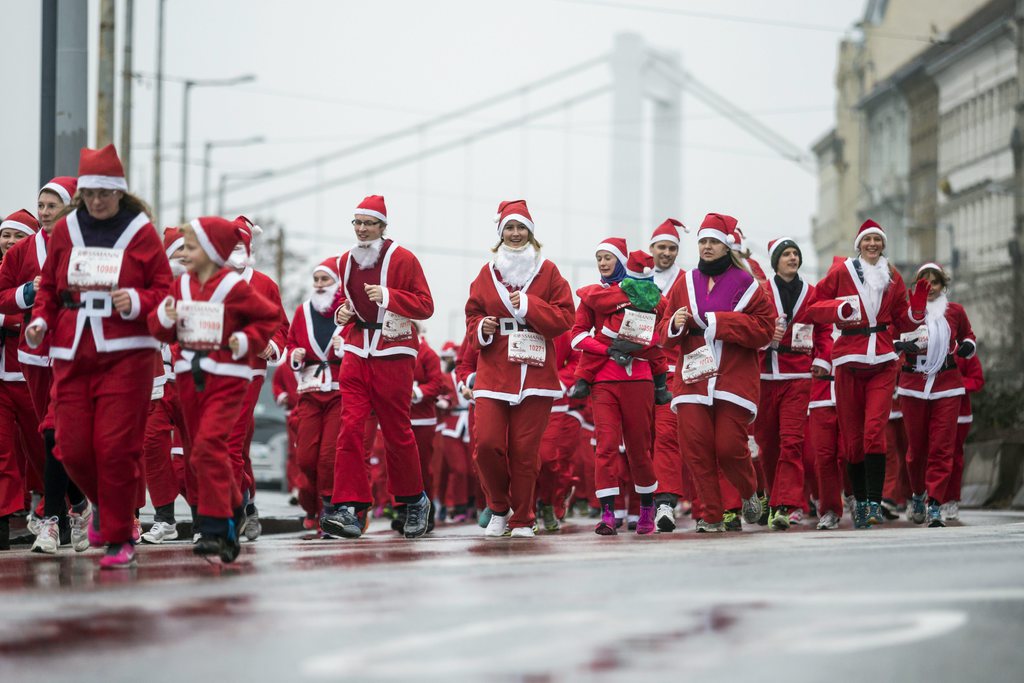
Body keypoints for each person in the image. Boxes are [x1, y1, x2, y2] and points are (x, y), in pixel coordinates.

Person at [25, 144, 173, 568]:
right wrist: (41, 321)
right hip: (72, 349)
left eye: (104, 194)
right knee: (69, 447)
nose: (96, 202)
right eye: (89, 194)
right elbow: (50, 288)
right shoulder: (67, 229)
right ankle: (103, 507)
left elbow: (163, 291)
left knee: (115, 447)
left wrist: (138, 302)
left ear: (120, 193)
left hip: (125, 353)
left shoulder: (140, 231)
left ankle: (119, 534)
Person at [149, 216, 279, 561]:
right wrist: (165, 317)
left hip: (227, 381)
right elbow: (161, 332)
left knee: (209, 447)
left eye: (192, 247)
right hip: (190, 378)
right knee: (199, 454)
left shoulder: (233, 287)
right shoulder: (182, 287)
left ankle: (213, 526)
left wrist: (244, 340)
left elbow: (269, 319)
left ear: (211, 250)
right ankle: (233, 512)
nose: (185, 254)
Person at [320, 195, 435, 540]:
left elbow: (426, 305)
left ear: (383, 227)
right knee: (351, 427)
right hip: (357, 350)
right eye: (357, 222)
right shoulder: (344, 261)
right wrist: (344, 311)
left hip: (394, 351)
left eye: (369, 223)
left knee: (397, 430)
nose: (362, 229)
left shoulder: (403, 258)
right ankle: (349, 509)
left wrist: (388, 297)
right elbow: (349, 300)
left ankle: (414, 502)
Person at [464, 199, 574, 538]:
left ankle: (524, 517)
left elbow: (565, 318)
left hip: (536, 373)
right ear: (500, 234)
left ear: (531, 234)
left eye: (521, 228)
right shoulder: (486, 273)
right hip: (494, 372)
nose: (515, 233)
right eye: (509, 228)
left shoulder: (549, 272)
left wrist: (529, 305)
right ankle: (499, 506)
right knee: (487, 446)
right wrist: (481, 327)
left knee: (525, 452)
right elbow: (472, 315)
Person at [809, 219, 929, 529]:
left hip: (883, 361)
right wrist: (839, 310)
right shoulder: (842, 272)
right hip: (849, 359)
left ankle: (874, 501)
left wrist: (916, 312)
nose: (873, 244)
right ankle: (859, 501)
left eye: (878, 239)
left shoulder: (892, 276)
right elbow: (814, 307)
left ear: (883, 245)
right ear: (859, 244)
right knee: (852, 438)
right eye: (868, 240)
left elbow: (905, 321)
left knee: (874, 429)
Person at [658, 213, 772, 533]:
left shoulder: (747, 285)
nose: (707, 247)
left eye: (713, 242)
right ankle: (710, 515)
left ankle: (749, 492)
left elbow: (763, 330)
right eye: (703, 242)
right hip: (693, 377)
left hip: (732, 378)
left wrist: (717, 322)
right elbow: (664, 333)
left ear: (726, 247)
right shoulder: (685, 282)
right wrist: (676, 324)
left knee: (728, 447)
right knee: (696, 449)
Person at [571, 245, 664, 535]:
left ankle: (646, 509)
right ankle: (608, 513)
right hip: (604, 381)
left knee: (639, 448)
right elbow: (577, 335)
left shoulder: (648, 293)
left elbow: (659, 329)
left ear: (621, 261)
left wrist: (636, 342)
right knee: (606, 445)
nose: (602, 262)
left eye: (607, 257)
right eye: (597, 257)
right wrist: (608, 348)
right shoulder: (591, 296)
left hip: (639, 379)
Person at [752, 237, 827, 530]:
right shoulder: (761, 292)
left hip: (798, 375)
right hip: (764, 376)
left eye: (796, 254)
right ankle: (774, 498)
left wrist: (823, 358)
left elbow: (822, 329)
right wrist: (764, 340)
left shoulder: (811, 292)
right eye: (786, 255)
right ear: (776, 261)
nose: (793, 258)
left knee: (792, 442)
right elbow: (750, 327)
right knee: (767, 443)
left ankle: (789, 504)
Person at [895, 262, 976, 527]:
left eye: (935, 282)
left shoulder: (956, 311)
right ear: (916, 285)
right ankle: (918, 493)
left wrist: (967, 347)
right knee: (916, 449)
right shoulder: (906, 312)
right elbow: (889, 339)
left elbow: (968, 336)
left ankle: (936, 505)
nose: (929, 288)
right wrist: (899, 344)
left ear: (943, 286)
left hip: (947, 384)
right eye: (924, 282)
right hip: (913, 385)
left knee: (942, 448)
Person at [228, 216, 289, 542]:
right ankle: (247, 503)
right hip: (209, 371)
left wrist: (273, 345)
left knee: (231, 442)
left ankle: (233, 512)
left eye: (239, 245)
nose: (233, 251)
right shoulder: (207, 280)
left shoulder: (264, 284)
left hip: (247, 372)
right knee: (230, 447)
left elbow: (282, 327)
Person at [0, 209, 47, 550]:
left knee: (45, 451)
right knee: (2, 453)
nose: (10, 242)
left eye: (18, 236)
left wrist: (11, 318)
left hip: (35, 378)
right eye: (6, 235)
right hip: (2, 381)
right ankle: (6, 520)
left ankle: (60, 509)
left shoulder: (42, 273)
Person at [286, 257, 343, 530]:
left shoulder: (347, 311)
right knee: (306, 458)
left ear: (337, 283)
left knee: (328, 456)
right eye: (317, 280)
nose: (320, 285)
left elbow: (358, 345)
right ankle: (312, 505)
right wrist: (295, 356)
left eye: (326, 279)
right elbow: (291, 344)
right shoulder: (302, 312)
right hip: (309, 391)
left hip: (338, 392)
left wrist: (345, 348)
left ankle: (330, 508)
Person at [647, 218, 694, 532]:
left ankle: (666, 502)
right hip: (636, 371)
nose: (666, 253)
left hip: (673, 371)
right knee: (639, 440)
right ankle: (639, 503)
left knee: (667, 436)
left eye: (672, 248)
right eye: (661, 247)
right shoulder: (636, 279)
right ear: (651, 249)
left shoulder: (687, 282)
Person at [947, 341, 984, 521]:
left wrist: (957, 383)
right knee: (931, 454)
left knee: (954, 456)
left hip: (960, 415)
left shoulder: (964, 350)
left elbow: (977, 380)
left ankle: (951, 499)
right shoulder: (927, 342)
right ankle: (931, 497)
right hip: (931, 410)